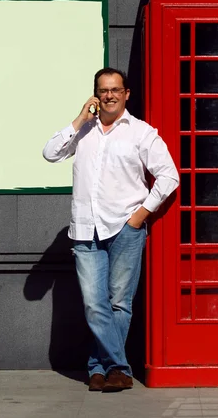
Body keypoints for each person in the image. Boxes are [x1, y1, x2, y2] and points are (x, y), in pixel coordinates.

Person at [43, 67, 179, 392]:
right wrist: (78, 119)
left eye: (115, 89)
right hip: (85, 230)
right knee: (94, 303)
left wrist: (140, 215)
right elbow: (50, 153)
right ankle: (119, 366)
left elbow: (170, 175)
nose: (109, 95)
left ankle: (97, 369)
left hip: (125, 228)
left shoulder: (142, 133)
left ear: (126, 93)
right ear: (96, 95)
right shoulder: (84, 132)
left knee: (120, 303)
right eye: (103, 90)